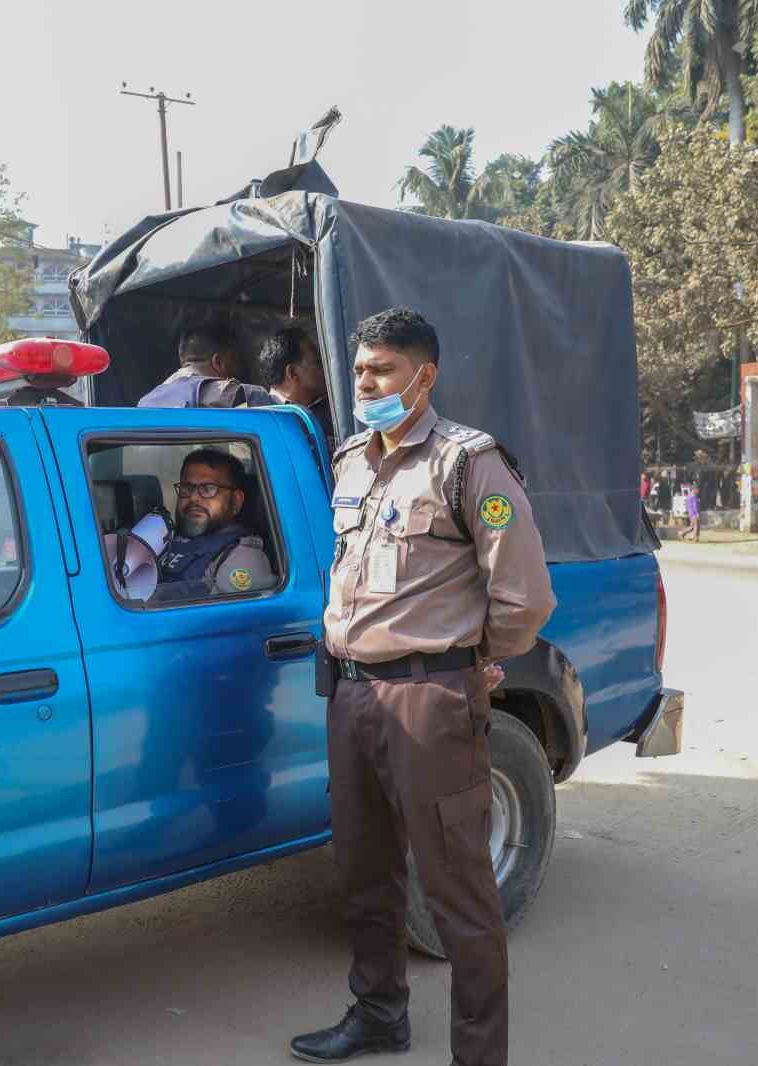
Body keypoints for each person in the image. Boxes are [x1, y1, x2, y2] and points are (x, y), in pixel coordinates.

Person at [294, 308, 555, 1066]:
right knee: (365, 870)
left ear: (424, 376)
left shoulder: (467, 462)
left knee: (456, 889)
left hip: (429, 699)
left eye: (382, 370)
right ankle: (379, 1014)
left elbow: (524, 596)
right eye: (360, 371)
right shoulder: (350, 459)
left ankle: (479, 1054)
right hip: (351, 693)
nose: (366, 384)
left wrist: (472, 659)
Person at [154, 447, 276, 598]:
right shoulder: (163, 537)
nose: (193, 498)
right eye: (187, 488)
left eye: (208, 488)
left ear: (236, 501)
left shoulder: (241, 558)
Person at [137, 325, 274, 409]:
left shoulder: (145, 401)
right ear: (218, 362)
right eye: (233, 361)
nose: (235, 370)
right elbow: (261, 401)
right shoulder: (225, 393)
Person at [261, 325, 337, 446]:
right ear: (292, 373)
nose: (325, 368)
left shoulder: (331, 411)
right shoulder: (259, 419)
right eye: (318, 362)